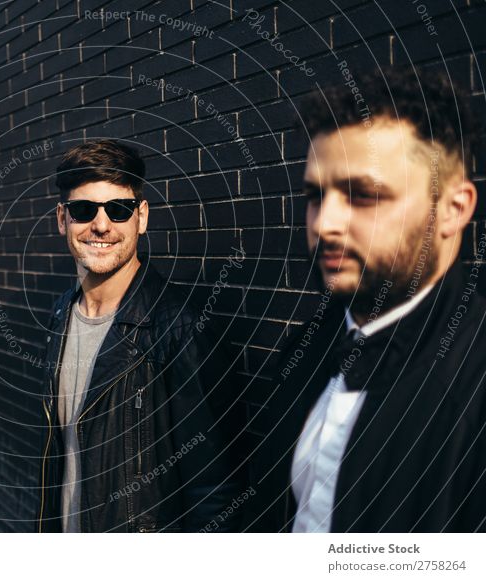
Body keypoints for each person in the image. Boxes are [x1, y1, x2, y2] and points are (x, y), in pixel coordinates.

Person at [245, 67, 486, 532]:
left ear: (453, 209)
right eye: (317, 196)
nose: (325, 224)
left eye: (364, 196)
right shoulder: (306, 351)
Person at [36, 139, 245, 532]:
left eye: (118, 209)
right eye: (84, 211)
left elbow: (214, 490)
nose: (101, 225)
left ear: (141, 217)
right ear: (62, 219)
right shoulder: (61, 315)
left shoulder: (181, 328)